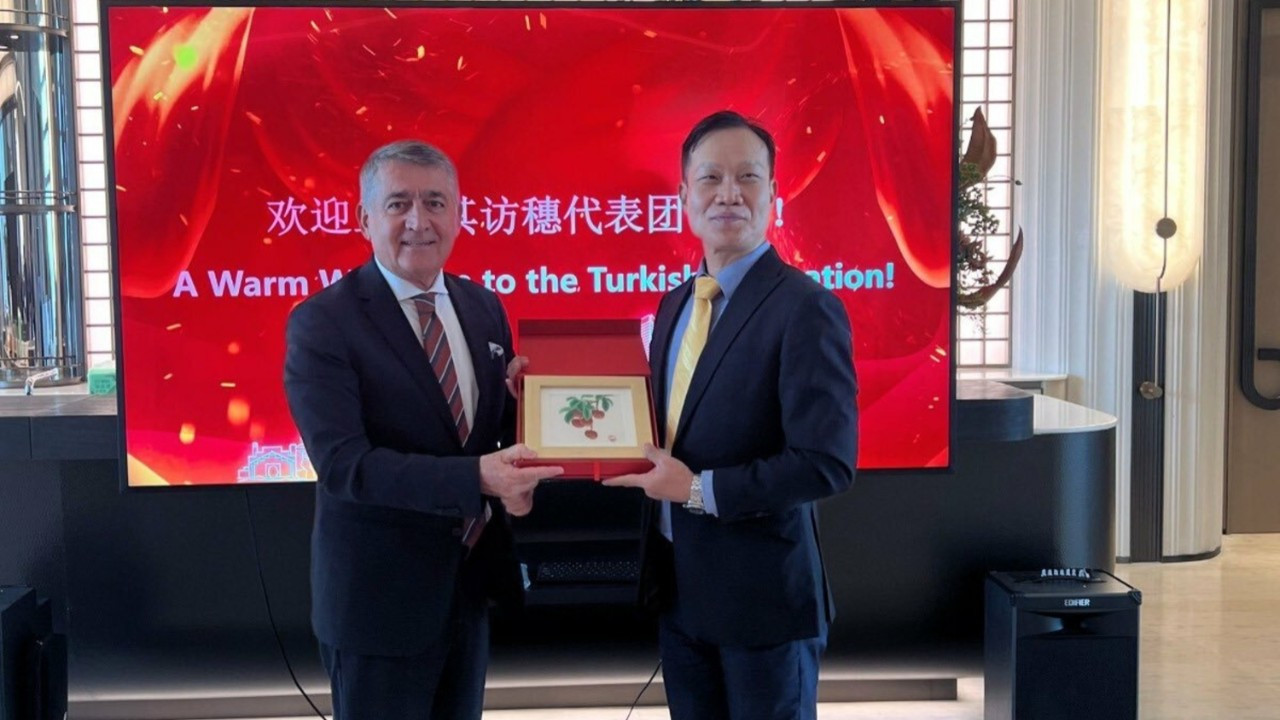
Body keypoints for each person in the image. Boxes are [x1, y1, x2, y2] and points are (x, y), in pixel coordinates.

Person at [283, 139, 562, 719]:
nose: (419, 221)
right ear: (365, 219)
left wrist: (528, 406)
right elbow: (345, 466)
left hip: (467, 589)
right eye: (398, 204)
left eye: (435, 202)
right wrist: (478, 479)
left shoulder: (483, 308)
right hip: (378, 603)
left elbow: (484, 435)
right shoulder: (323, 323)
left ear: (457, 215)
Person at [604, 111, 859, 720]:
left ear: (773, 193)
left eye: (747, 177)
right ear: (683, 195)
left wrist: (697, 490)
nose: (728, 194)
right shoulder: (674, 306)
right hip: (680, 593)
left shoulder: (805, 307)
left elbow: (825, 463)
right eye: (710, 177)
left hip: (763, 604)